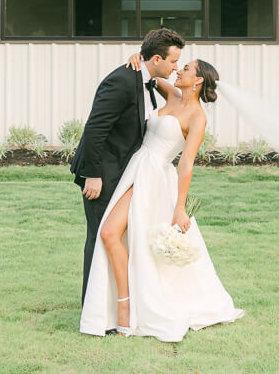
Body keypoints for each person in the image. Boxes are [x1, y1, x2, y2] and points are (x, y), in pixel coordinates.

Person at [79, 52, 244, 342]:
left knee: (116, 235)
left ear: (198, 80)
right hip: (134, 169)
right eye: (179, 65)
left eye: (187, 68)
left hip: (155, 179)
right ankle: (124, 304)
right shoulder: (171, 92)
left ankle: (126, 310)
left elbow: (186, 164)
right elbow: (148, 75)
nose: (179, 70)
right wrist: (137, 60)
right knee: (110, 233)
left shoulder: (197, 117)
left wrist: (179, 208)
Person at [70, 28, 184, 306]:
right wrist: (93, 175)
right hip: (103, 174)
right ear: (157, 59)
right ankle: (94, 309)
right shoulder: (122, 80)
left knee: (117, 238)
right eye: (173, 61)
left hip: (127, 174)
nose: (176, 67)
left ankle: (113, 305)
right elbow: (95, 129)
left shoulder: (146, 80)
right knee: (100, 237)